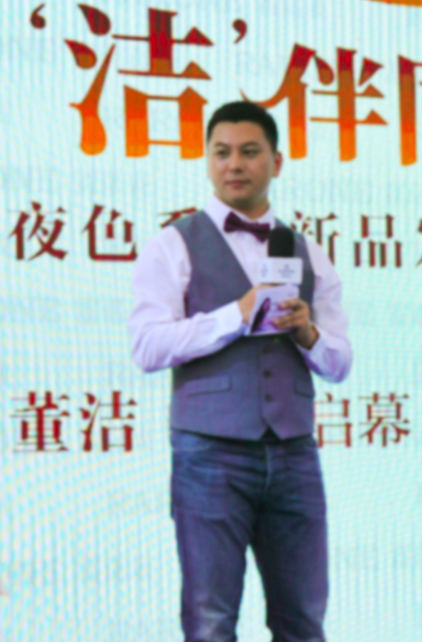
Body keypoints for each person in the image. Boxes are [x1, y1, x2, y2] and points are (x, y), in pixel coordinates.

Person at [128, 101, 352, 642]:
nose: (234, 164)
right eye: (221, 152)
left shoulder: (308, 251)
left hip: (294, 452)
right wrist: (237, 314)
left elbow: (341, 363)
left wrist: (307, 333)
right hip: (208, 454)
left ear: (276, 161)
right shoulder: (173, 243)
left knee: (303, 620)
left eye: (249, 152)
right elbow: (147, 346)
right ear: (207, 160)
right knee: (210, 620)